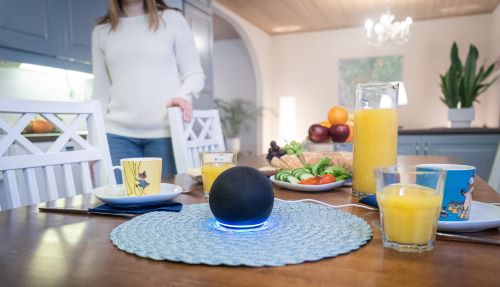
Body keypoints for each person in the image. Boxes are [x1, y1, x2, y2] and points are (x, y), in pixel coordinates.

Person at [92, 0, 205, 182]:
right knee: (121, 206)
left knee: (169, 205)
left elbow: (195, 74)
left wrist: (182, 96)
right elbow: (99, 91)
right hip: (116, 136)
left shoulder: (172, 19)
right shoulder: (101, 30)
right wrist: (93, 145)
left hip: (165, 135)